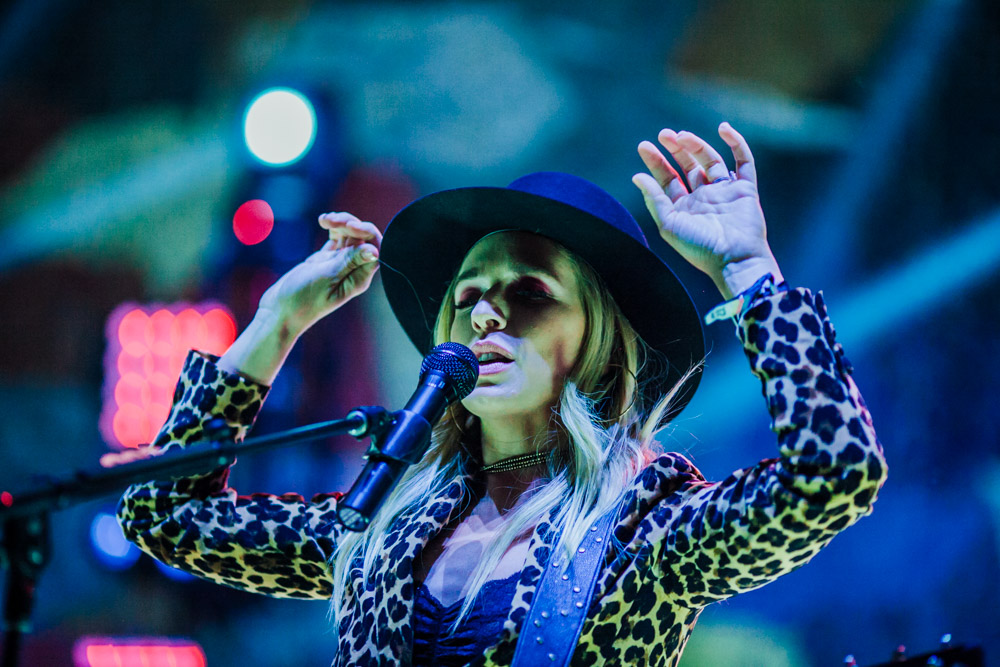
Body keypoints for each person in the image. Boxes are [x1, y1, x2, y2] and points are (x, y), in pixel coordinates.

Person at [118, 123, 887, 666]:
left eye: (530, 292)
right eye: (469, 293)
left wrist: (751, 271)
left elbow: (835, 476)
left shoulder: (650, 528)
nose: (486, 310)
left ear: (595, 342)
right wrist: (276, 322)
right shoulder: (382, 523)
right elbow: (163, 516)